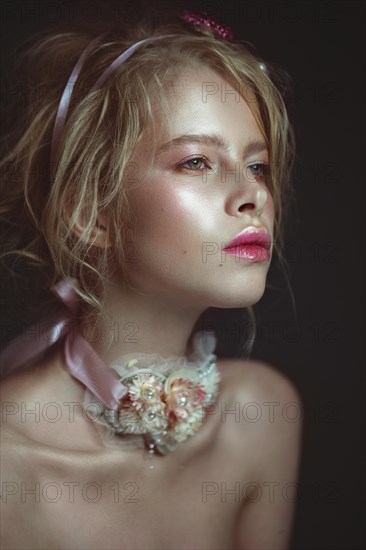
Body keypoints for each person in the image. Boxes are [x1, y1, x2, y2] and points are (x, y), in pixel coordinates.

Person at [0, 10, 302, 550]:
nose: (253, 195)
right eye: (195, 162)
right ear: (89, 213)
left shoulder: (259, 418)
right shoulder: (9, 468)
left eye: (257, 166)